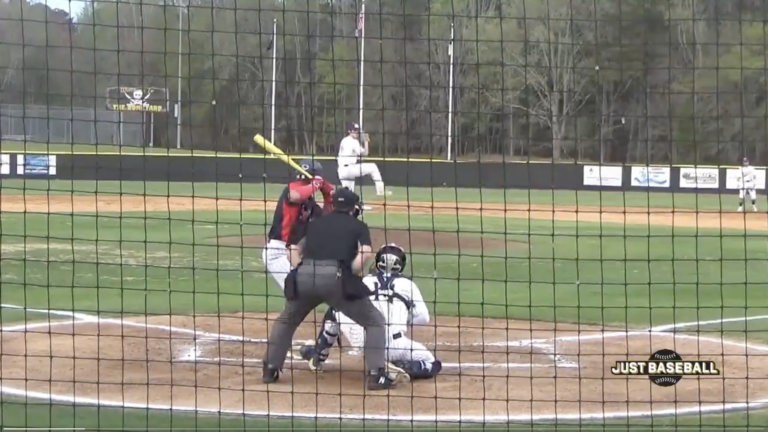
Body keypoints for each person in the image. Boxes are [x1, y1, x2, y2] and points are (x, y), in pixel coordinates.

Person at [261, 188, 407, 390]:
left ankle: (270, 369)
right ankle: (376, 375)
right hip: (335, 278)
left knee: (286, 321)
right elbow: (365, 253)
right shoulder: (358, 225)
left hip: (304, 276)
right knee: (374, 322)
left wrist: (299, 269)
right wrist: (351, 272)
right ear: (353, 208)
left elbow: (292, 250)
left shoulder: (314, 224)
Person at [298, 244, 442, 381]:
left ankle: (318, 355)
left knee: (335, 309)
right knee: (432, 363)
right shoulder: (408, 285)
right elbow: (423, 317)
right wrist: (400, 321)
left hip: (365, 342)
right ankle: (405, 366)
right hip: (397, 345)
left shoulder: (365, 280)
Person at [262, 159, 334, 291]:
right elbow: (295, 196)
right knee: (299, 291)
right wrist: (315, 185)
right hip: (278, 252)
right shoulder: (291, 189)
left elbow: (326, 220)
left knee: (306, 290)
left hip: (295, 252)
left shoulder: (310, 202)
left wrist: (327, 196)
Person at [337, 122, 387, 197]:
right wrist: (366, 141)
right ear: (349, 131)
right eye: (354, 130)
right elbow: (365, 153)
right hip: (350, 169)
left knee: (349, 195)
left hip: (342, 171)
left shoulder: (344, 140)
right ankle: (380, 192)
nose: (356, 132)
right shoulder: (353, 141)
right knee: (373, 167)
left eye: (357, 130)